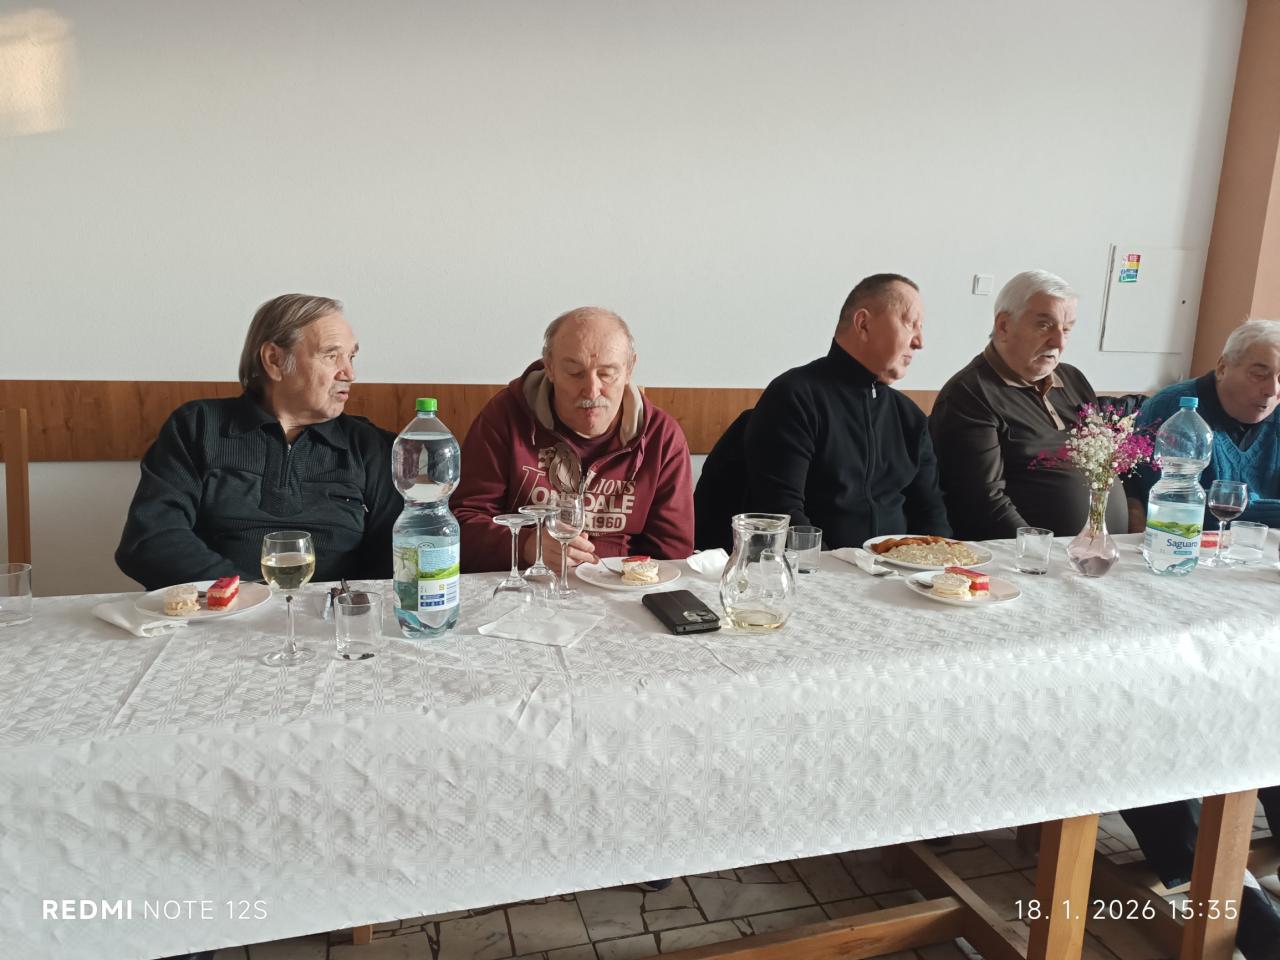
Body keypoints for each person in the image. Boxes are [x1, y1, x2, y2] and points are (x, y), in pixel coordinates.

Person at [116, 294, 399, 589]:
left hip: (331, 612)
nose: (350, 374)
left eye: (351, 357)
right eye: (331, 356)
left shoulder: (371, 446)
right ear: (274, 360)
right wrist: (249, 596)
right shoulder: (197, 427)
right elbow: (151, 541)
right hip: (218, 610)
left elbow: (394, 558)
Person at [451, 306, 694, 572]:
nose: (591, 390)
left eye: (607, 373)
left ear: (629, 369)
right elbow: (459, 527)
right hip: (529, 582)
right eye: (575, 372)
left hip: (620, 586)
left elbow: (673, 556)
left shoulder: (661, 437)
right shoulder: (504, 418)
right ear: (550, 367)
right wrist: (527, 546)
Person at [741, 273, 949, 548]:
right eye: (910, 324)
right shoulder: (795, 396)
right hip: (818, 568)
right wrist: (833, 569)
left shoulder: (909, 417)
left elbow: (931, 514)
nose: (919, 341)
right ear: (863, 324)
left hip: (898, 569)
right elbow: (781, 513)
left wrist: (935, 564)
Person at [929, 270, 1128, 540]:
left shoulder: (1073, 379)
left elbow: (1104, 466)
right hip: (1029, 559)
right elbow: (983, 503)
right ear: (1003, 326)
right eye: (1045, 325)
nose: (1059, 342)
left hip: (1108, 551)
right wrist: (1039, 552)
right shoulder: (970, 394)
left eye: (1066, 329)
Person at [1124, 317, 1280, 531]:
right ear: (1222, 368)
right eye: (1259, 375)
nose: (1272, 390)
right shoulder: (1175, 410)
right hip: (1184, 541)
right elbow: (1175, 502)